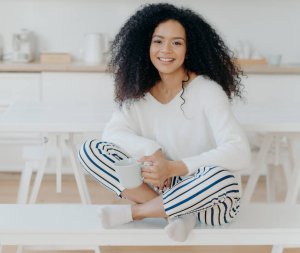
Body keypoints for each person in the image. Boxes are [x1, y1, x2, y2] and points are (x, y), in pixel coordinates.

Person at [78, 3, 251, 241]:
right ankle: (179, 214)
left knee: (222, 178)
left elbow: (240, 152)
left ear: (189, 49)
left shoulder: (208, 90)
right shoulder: (139, 93)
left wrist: (173, 167)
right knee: (90, 150)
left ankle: (138, 212)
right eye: (158, 41)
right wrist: (153, 152)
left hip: (208, 199)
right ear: (145, 45)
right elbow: (112, 134)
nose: (165, 50)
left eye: (176, 42)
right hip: (162, 186)